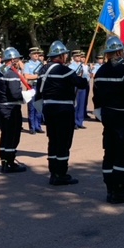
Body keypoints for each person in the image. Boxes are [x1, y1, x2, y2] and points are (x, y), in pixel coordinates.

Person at [92, 36, 124, 203]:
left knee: (109, 153)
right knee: (122, 153)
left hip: (107, 115)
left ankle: (109, 188)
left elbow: (96, 95)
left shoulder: (100, 72)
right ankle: (119, 190)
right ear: (119, 52)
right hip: (123, 116)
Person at [35, 40, 88, 186]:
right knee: (64, 142)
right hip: (64, 110)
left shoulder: (43, 70)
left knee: (53, 141)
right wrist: (83, 76)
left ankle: (53, 172)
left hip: (49, 109)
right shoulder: (65, 70)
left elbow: (39, 90)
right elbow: (82, 84)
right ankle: (61, 173)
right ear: (60, 56)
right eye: (65, 54)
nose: (66, 57)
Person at [0, 47, 27, 173]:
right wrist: (26, 96)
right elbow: (15, 93)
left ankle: (4, 161)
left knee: (5, 134)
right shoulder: (11, 73)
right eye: (17, 59)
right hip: (11, 107)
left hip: (2, 105)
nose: (18, 61)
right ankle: (10, 162)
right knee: (13, 135)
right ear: (12, 60)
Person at [23, 47, 44, 134]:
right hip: (31, 86)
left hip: (39, 86)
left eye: (37, 54)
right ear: (30, 55)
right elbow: (27, 76)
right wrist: (37, 76)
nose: (36, 55)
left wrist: (36, 76)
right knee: (31, 107)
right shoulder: (28, 64)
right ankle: (32, 127)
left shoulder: (41, 64)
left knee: (38, 107)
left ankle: (38, 126)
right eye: (34, 54)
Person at [69, 51, 90, 129]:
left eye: (79, 56)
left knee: (81, 104)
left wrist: (85, 72)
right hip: (75, 86)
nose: (78, 57)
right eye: (77, 56)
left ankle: (80, 122)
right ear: (73, 57)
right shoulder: (71, 66)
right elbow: (73, 75)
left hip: (82, 85)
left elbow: (87, 76)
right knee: (75, 104)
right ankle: (73, 122)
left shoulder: (84, 66)